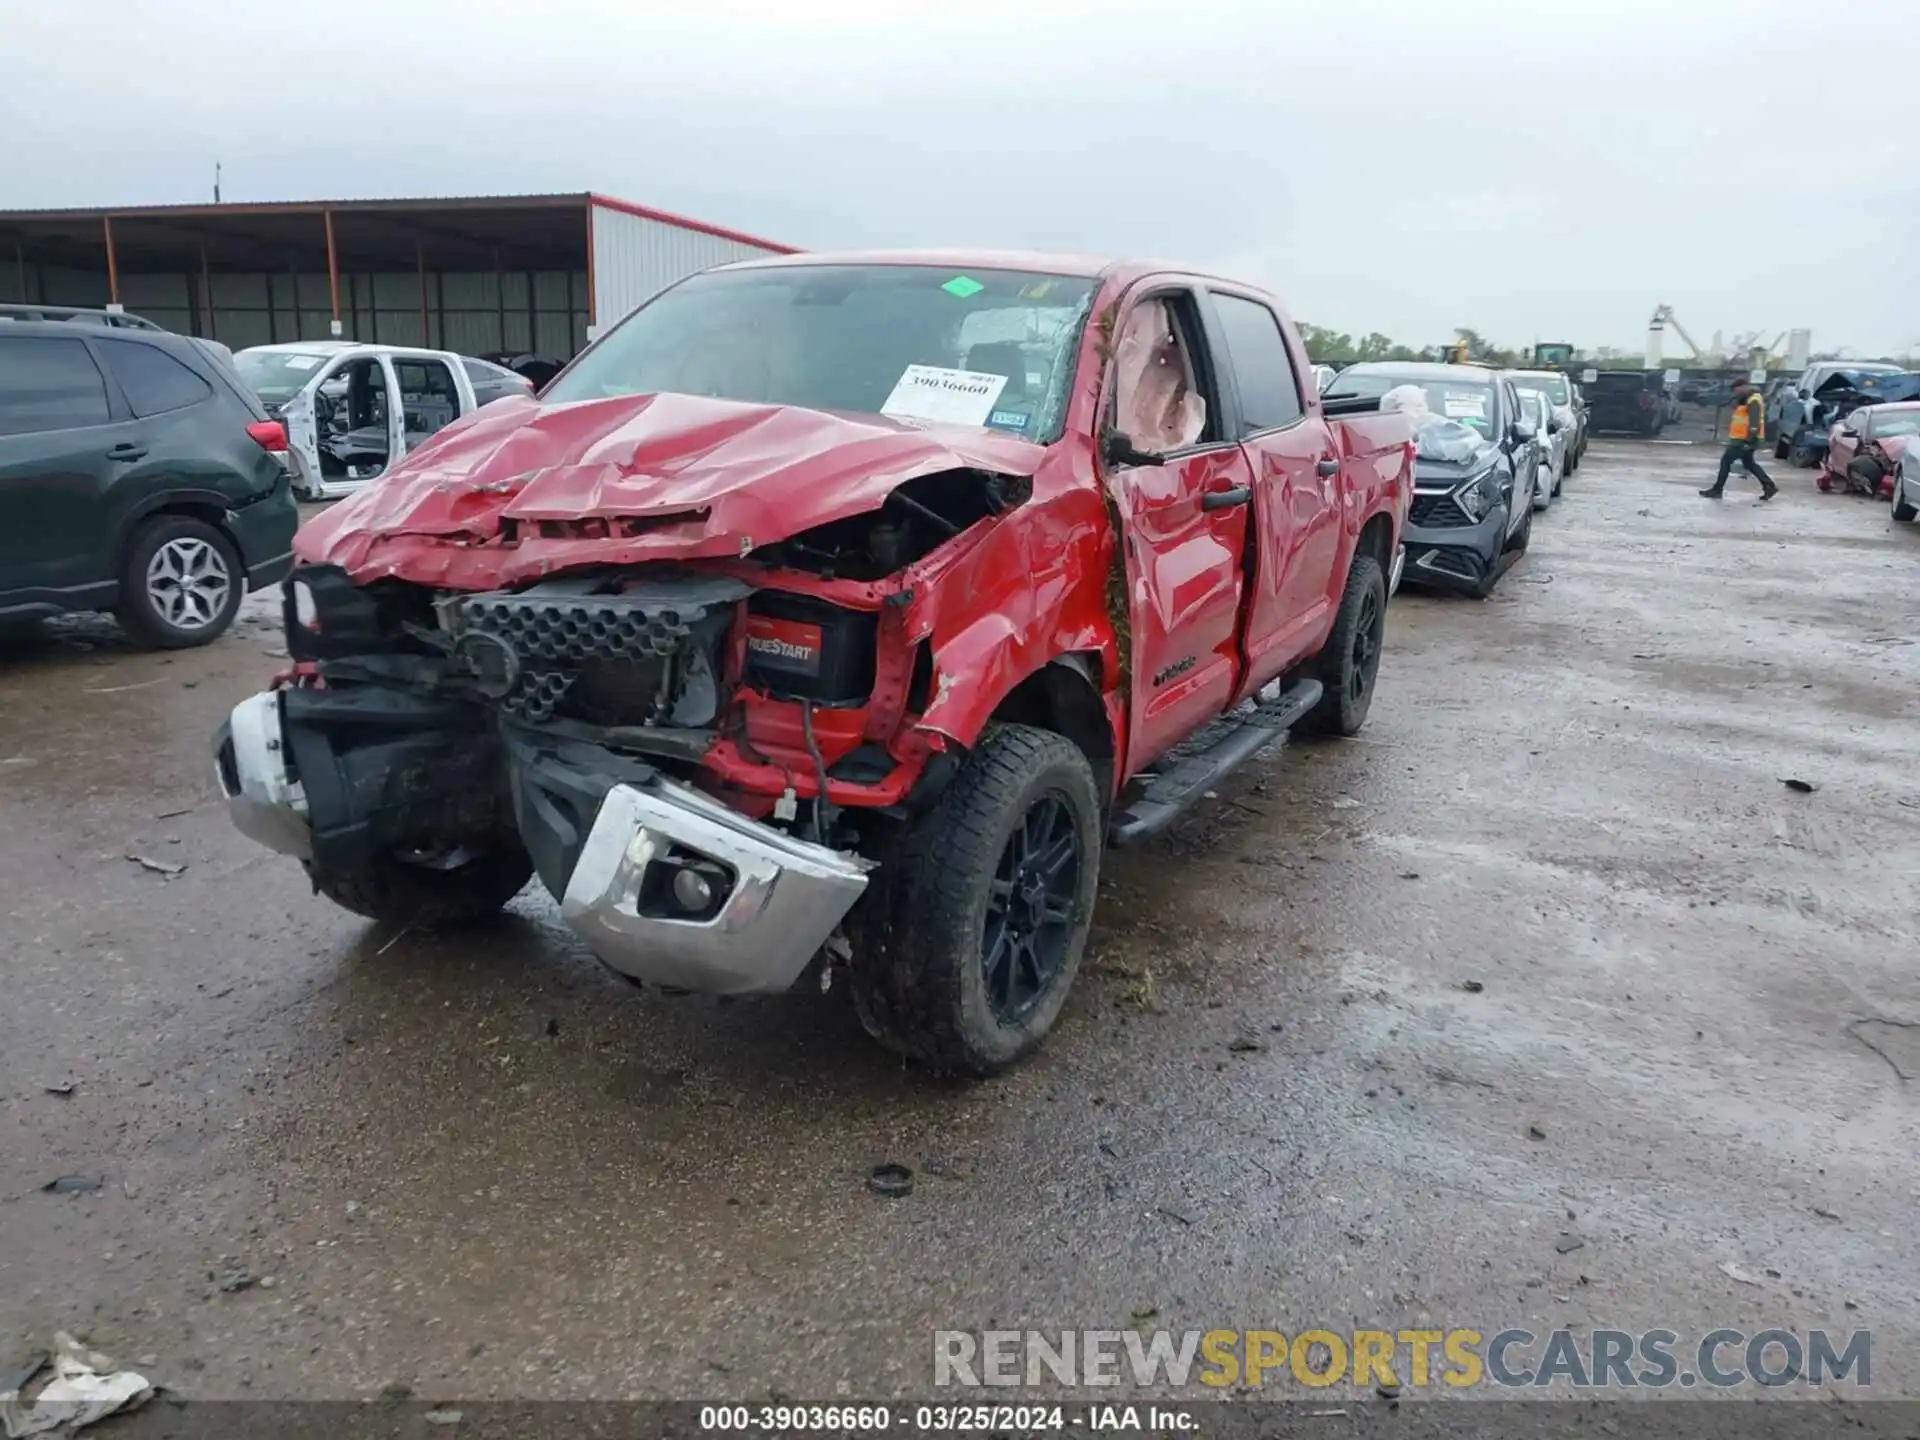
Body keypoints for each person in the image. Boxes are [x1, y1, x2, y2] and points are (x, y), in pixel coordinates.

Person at [1700, 382, 1777, 500]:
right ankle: (1769, 486)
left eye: (1736, 389)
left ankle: (1717, 489)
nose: (1735, 392)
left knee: (1726, 462)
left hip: (1743, 440)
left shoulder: (1753, 400)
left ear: (1743, 387)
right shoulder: (1747, 399)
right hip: (1741, 438)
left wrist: (1749, 440)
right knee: (1749, 463)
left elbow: (1754, 422)